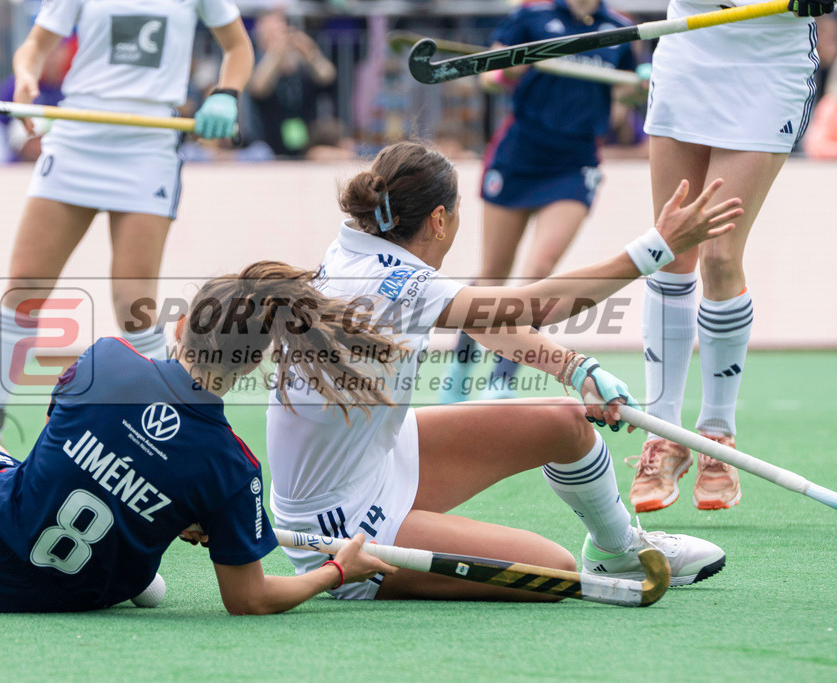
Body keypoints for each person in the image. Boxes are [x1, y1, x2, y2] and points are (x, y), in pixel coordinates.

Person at [266, 141, 743, 601]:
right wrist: (656, 248)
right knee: (550, 570)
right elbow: (536, 305)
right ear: (438, 219)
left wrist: (575, 369)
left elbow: (486, 319)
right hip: (339, 534)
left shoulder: (354, 249)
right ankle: (611, 555)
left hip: (377, 461)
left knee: (565, 421)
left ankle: (618, 552)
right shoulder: (400, 282)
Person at [0, 263, 398, 614]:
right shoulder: (234, 469)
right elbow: (250, 600)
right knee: (133, 546)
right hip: (83, 596)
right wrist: (337, 570)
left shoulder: (105, 359)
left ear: (180, 330)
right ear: (255, 362)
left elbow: (53, 449)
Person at [0, 0, 255, 441]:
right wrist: (25, 78)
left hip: (149, 145)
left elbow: (238, 48)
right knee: (24, 286)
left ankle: (171, 425)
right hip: (78, 137)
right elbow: (34, 47)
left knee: (133, 305)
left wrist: (226, 93)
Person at [628, 0, 830, 513]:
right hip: (690, 43)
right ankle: (662, 435)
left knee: (719, 254)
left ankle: (717, 437)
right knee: (670, 247)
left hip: (770, 56)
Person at [440, 0, 644, 404]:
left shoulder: (619, 29)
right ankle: (461, 365)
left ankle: (502, 379)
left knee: (538, 274)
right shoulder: (530, 18)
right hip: (519, 157)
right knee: (493, 277)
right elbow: (489, 78)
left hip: (574, 164)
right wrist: (504, 72)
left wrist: (635, 91)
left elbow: (620, 106)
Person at [247, 10, 336, 157]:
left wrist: (311, 52)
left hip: (309, 143)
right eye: (271, 34)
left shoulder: (305, 66)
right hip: (268, 147)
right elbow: (258, 88)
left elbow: (328, 77)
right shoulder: (257, 65)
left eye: (281, 31)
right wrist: (275, 54)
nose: (280, 38)